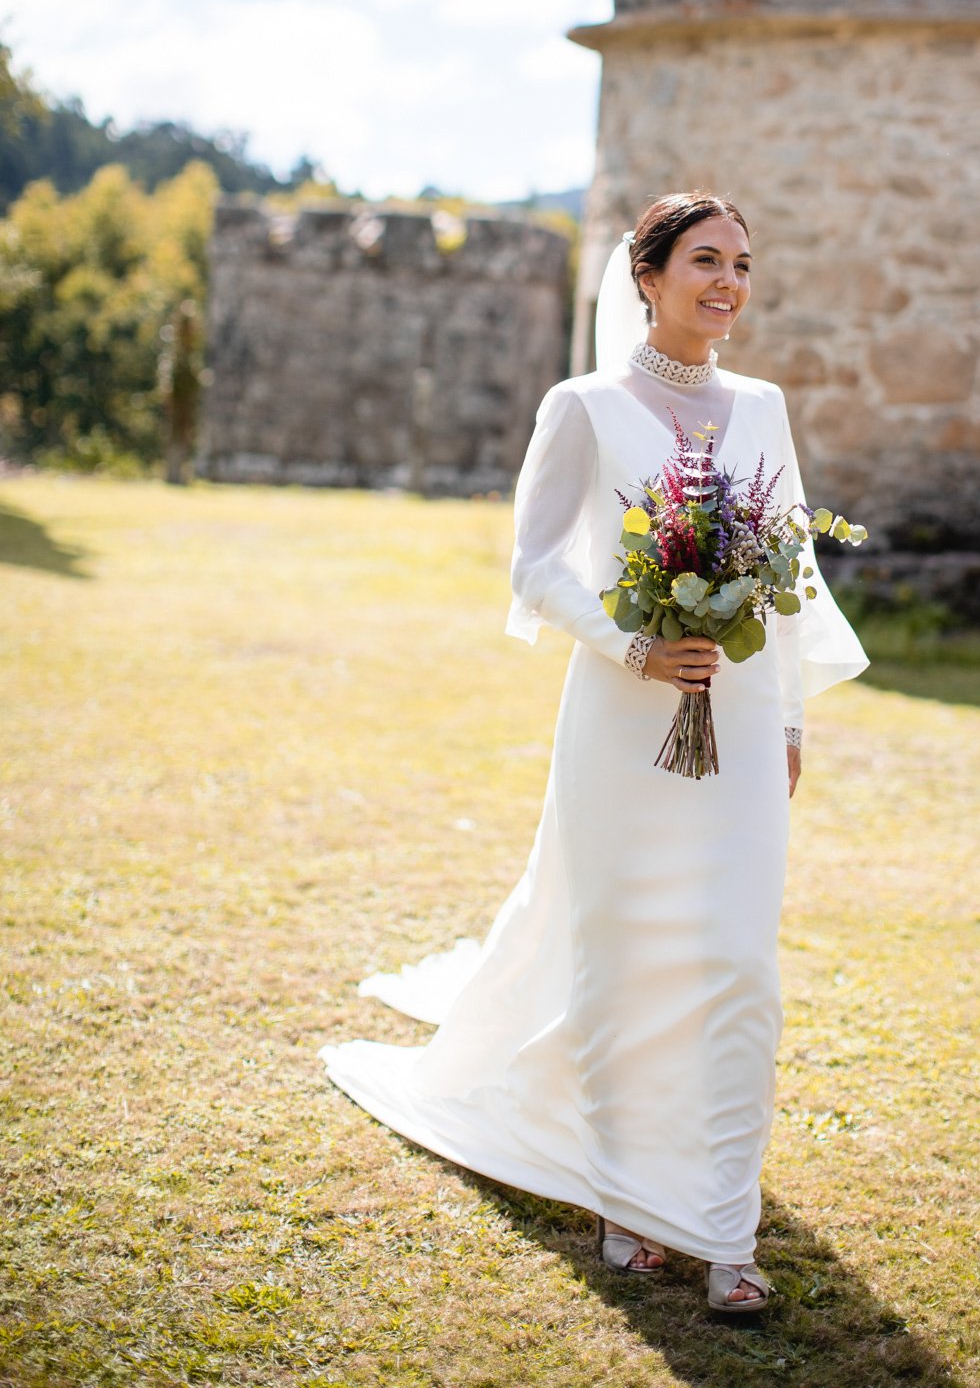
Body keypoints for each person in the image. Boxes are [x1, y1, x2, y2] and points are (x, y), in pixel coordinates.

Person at [320, 192, 869, 1313]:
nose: (728, 282)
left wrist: (794, 720)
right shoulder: (582, 406)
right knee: (620, 957)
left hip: (744, 718)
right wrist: (633, 646)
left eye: (742, 264)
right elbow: (535, 564)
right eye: (704, 261)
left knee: (735, 965)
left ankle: (725, 1230)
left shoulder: (762, 408)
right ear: (648, 276)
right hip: (621, 721)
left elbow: (792, 569)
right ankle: (629, 1201)